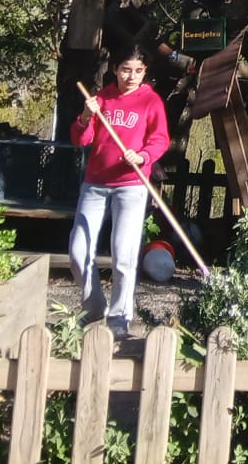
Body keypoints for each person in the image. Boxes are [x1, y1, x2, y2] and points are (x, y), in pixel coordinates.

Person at [68, 49, 171, 337]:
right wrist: (86, 116)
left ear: (145, 71)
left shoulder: (150, 100)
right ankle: (93, 307)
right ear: (115, 68)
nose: (131, 76)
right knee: (78, 252)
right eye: (126, 69)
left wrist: (142, 156)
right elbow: (81, 139)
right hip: (95, 185)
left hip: (132, 186)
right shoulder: (101, 99)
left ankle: (119, 320)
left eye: (138, 71)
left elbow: (160, 140)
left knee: (123, 254)